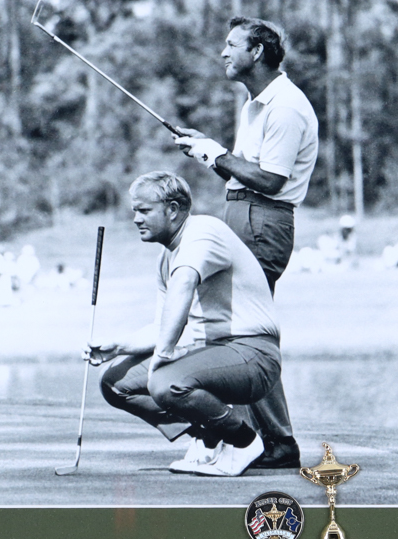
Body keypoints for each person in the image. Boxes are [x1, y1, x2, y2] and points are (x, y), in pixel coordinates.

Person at [174, 17, 319, 469]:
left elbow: (272, 181)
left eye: (232, 44)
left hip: (264, 219)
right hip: (241, 212)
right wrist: (208, 152)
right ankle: (250, 438)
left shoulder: (286, 106)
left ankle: (269, 442)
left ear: (257, 52)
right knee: (233, 329)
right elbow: (242, 172)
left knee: (245, 333)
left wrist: (218, 154)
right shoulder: (254, 104)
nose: (223, 52)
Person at [88, 171, 282, 477]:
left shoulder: (203, 231)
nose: (136, 219)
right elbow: (163, 325)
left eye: (144, 210)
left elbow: (184, 286)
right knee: (115, 383)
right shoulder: (167, 257)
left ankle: (243, 441)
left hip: (253, 355)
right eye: (134, 211)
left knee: (164, 382)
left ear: (174, 209)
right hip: (212, 354)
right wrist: (119, 347)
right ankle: (209, 438)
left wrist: (163, 356)